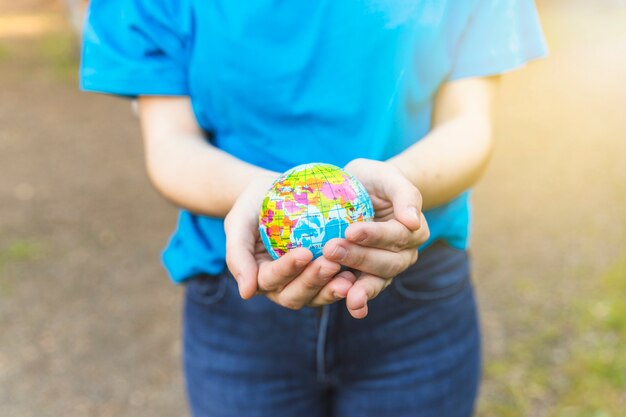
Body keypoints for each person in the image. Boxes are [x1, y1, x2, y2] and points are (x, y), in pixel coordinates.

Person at [80, 1, 546, 416]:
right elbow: (170, 144)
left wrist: (394, 190)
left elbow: (468, 124)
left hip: (413, 299)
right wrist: (270, 198)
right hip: (239, 300)